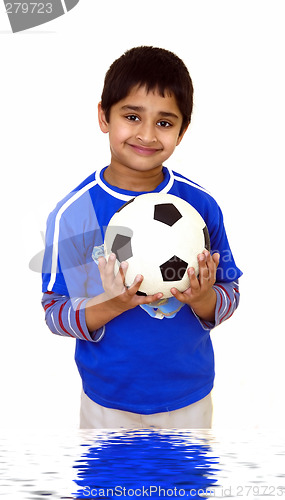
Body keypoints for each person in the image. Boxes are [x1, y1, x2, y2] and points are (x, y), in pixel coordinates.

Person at [42, 46, 242, 429]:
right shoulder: (75, 215)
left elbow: (230, 292)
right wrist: (112, 304)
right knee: (109, 490)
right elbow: (55, 312)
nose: (147, 135)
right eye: (132, 116)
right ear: (104, 115)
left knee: (183, 490)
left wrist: (204, 300)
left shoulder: (200, 207)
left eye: (165, 123)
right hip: (107, 400)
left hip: (188, 397)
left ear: (182, 131)